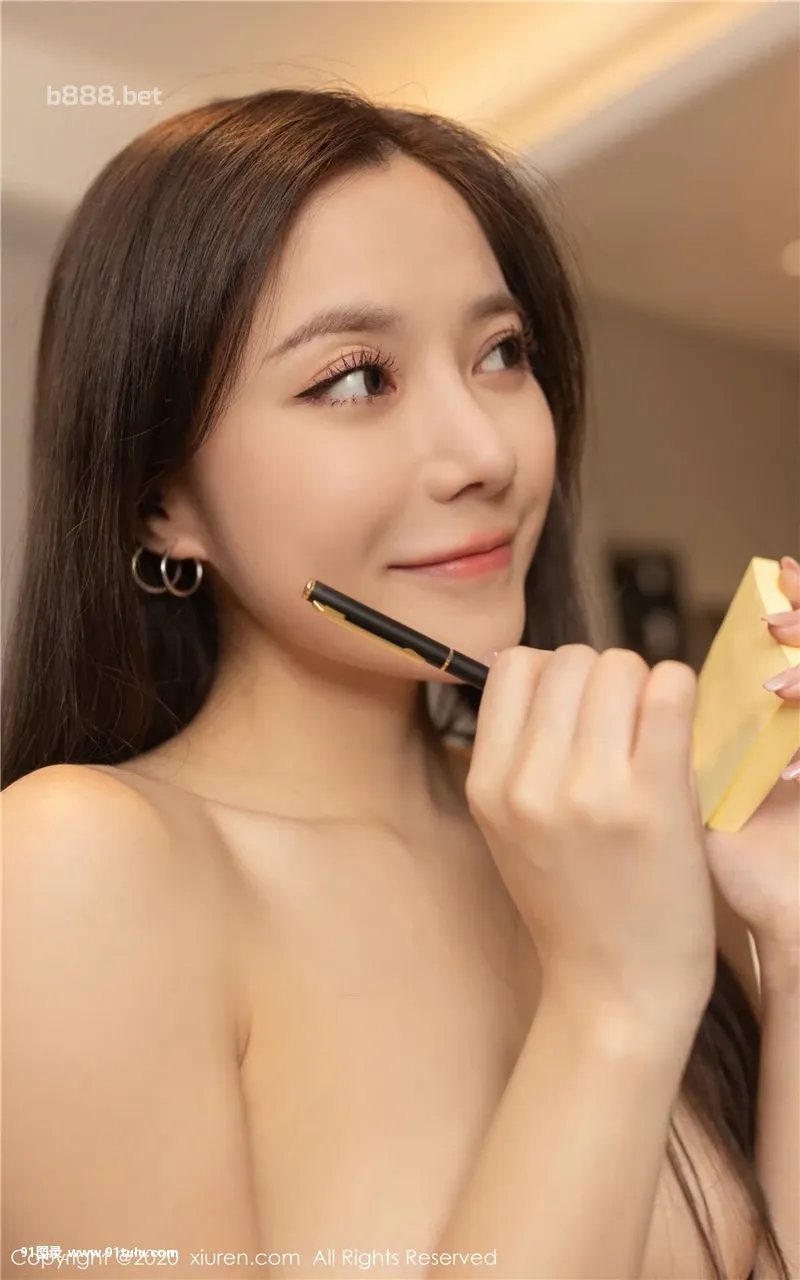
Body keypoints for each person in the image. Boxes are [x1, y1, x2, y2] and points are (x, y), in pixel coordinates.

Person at [1, 86, 792, 1280]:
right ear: (163, 501)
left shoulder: (591, 830)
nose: (483, 452)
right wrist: (609, 1002)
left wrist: (787, 930)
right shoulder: (75, 865)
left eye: (500, 353)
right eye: (355, 378)